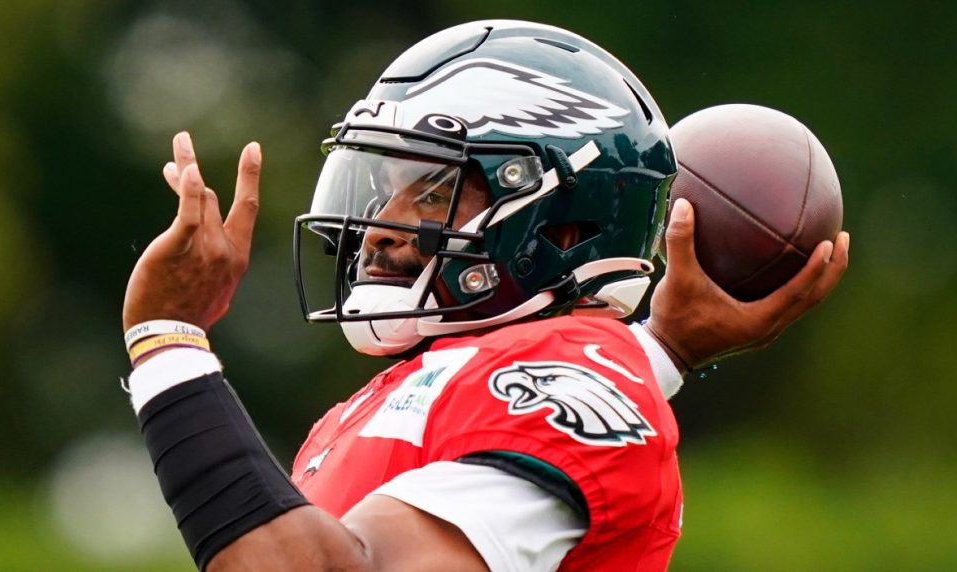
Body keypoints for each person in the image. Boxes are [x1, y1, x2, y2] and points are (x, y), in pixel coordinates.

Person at [121, 20, 848, 572]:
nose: (380, 228)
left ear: (560, 222)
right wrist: (668, 344)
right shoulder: (392, 397)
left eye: (433, 190)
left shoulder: (577, 381)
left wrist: (166, 341)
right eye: (384, 187)